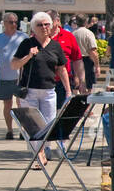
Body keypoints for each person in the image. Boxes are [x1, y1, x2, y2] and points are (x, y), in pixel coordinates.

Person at [11, 11, 71, 170]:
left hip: (49, 91)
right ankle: (40, 155)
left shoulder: (55, 46)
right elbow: (14, 65)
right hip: (29, 91)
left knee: (47, 125)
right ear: (33, 28)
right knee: (33, 126)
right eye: (40, 25)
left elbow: (62, 69)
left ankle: (41, 151)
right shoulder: (27, 44)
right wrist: (28, 56)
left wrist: (68, 90)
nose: (44, 27)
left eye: (47, 24)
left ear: (51, 26)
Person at [0, 12, 27, 139]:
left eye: (16, 22)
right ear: (4, 23)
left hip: (20, 78)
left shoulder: (24, 38)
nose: (14, 24)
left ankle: (23, 130)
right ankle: (9, 130)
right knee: (7, 105)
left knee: (21, 104)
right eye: (11, 22)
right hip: (4, 78)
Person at [49, 8, 83, 103]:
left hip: (64, 82)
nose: (47, 23)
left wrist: (79, 79)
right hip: (44, 82)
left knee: (62, 111)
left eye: (50, 19)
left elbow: (77, 59)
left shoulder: (68, 36)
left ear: (57, 21)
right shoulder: (39, 37)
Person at [72, 18, 99, 94]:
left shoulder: (72, 33)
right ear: (86, 22)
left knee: (76, 86)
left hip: (75, 60)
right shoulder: (89, 33)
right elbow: (93, 51)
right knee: (90, 86)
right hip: (87, 60)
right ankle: (87, 103)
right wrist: (97, 65)